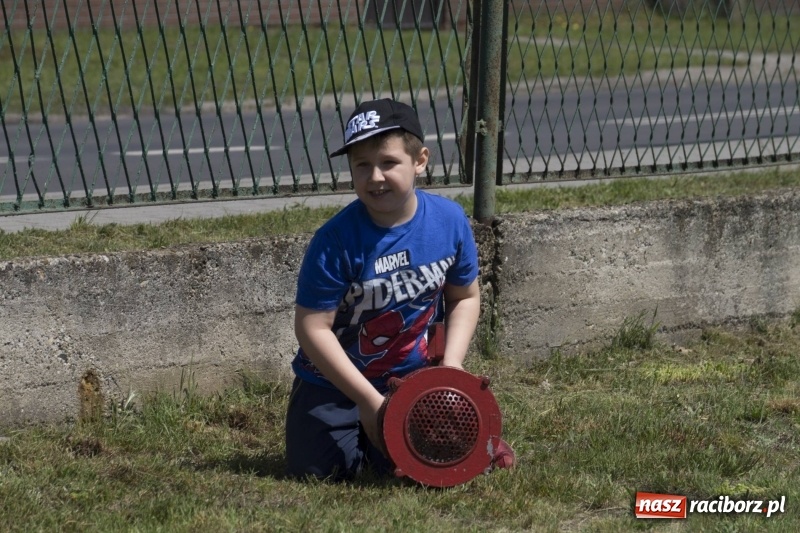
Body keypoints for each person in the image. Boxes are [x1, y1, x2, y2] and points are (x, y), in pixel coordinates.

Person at [285, 98, 513, 480]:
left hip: (413, 379)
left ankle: (474, 446)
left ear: (420, 160)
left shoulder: (449, 221)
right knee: (320, 473)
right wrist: (370, 403)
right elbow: (312, 326)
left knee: (429, 468)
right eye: (362, 165)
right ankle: (366, 438)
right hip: (333, 382)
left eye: (388, 162)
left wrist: (451, 371)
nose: (375, 177)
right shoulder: (335, 241)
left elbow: (465, 297)